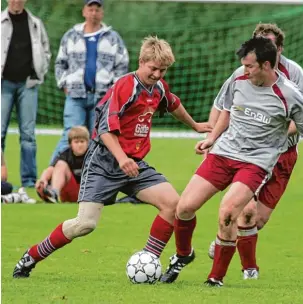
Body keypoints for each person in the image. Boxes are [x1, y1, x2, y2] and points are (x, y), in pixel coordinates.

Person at [12, 35, 212, 278]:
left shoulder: (158, 87)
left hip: (133, 164)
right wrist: (121, 159)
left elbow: (172, 103)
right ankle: (31, 255)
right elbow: (105, 129)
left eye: (163, 70)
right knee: (84, 224)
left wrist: (195, 126)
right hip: (104, 163)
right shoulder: (125, 86)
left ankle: (149, 260)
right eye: (153, 68)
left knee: (173, 204)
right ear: (141, 61)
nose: (158, 74)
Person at [160, 37, 303, 287]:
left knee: (228, 212)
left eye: (250, 66)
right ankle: (184, 254)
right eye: (244, 65)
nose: (245, 70)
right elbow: (227, 108)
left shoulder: (288, 95)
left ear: (267, 65)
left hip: (256, 162)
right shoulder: (239, 77)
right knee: (184, 207)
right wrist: (212, 138)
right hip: (224, 153)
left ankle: (215, 278)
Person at [208, 23, 303, 280]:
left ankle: (225, 239)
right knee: (245, 211)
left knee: (259, 220)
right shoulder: (244, 72)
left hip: (284, 155)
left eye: (268, 45)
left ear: (279, 49)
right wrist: (212, 138)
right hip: (252, 153)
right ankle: (248, 269)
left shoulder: (294, 74)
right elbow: (222, 105)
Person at [50, 0, 129, 163]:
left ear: (102, 13)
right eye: (90, 9)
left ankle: (94, 177)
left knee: (100, 137)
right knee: (70, 135)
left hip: (102, 97)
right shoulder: (71, 36)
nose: (93, 13)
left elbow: (122, 65)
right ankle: (53, 175)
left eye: (97, 10)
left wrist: (113, 90)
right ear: (84, 11)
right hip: (75, 95)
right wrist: (64, 83)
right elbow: (60, 63)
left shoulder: (113, 38)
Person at [1, 0, 51, 187]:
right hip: (3, 84)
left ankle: (29, 181)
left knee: (28, 135)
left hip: (28, 84)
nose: (16, 1)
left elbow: (46, 51)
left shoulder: (35, 23)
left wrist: (39, 73)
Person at [36, 126, 89, 203]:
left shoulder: (93, 154)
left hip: (88, 193)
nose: (80, 145)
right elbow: (51, 169)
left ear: (87, 142)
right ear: (70, 144)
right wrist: (43, 179)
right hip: (70, 191)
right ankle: (53, 193)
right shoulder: (65, 154)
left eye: (82, 141)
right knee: (60, 164)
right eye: (76, 142)